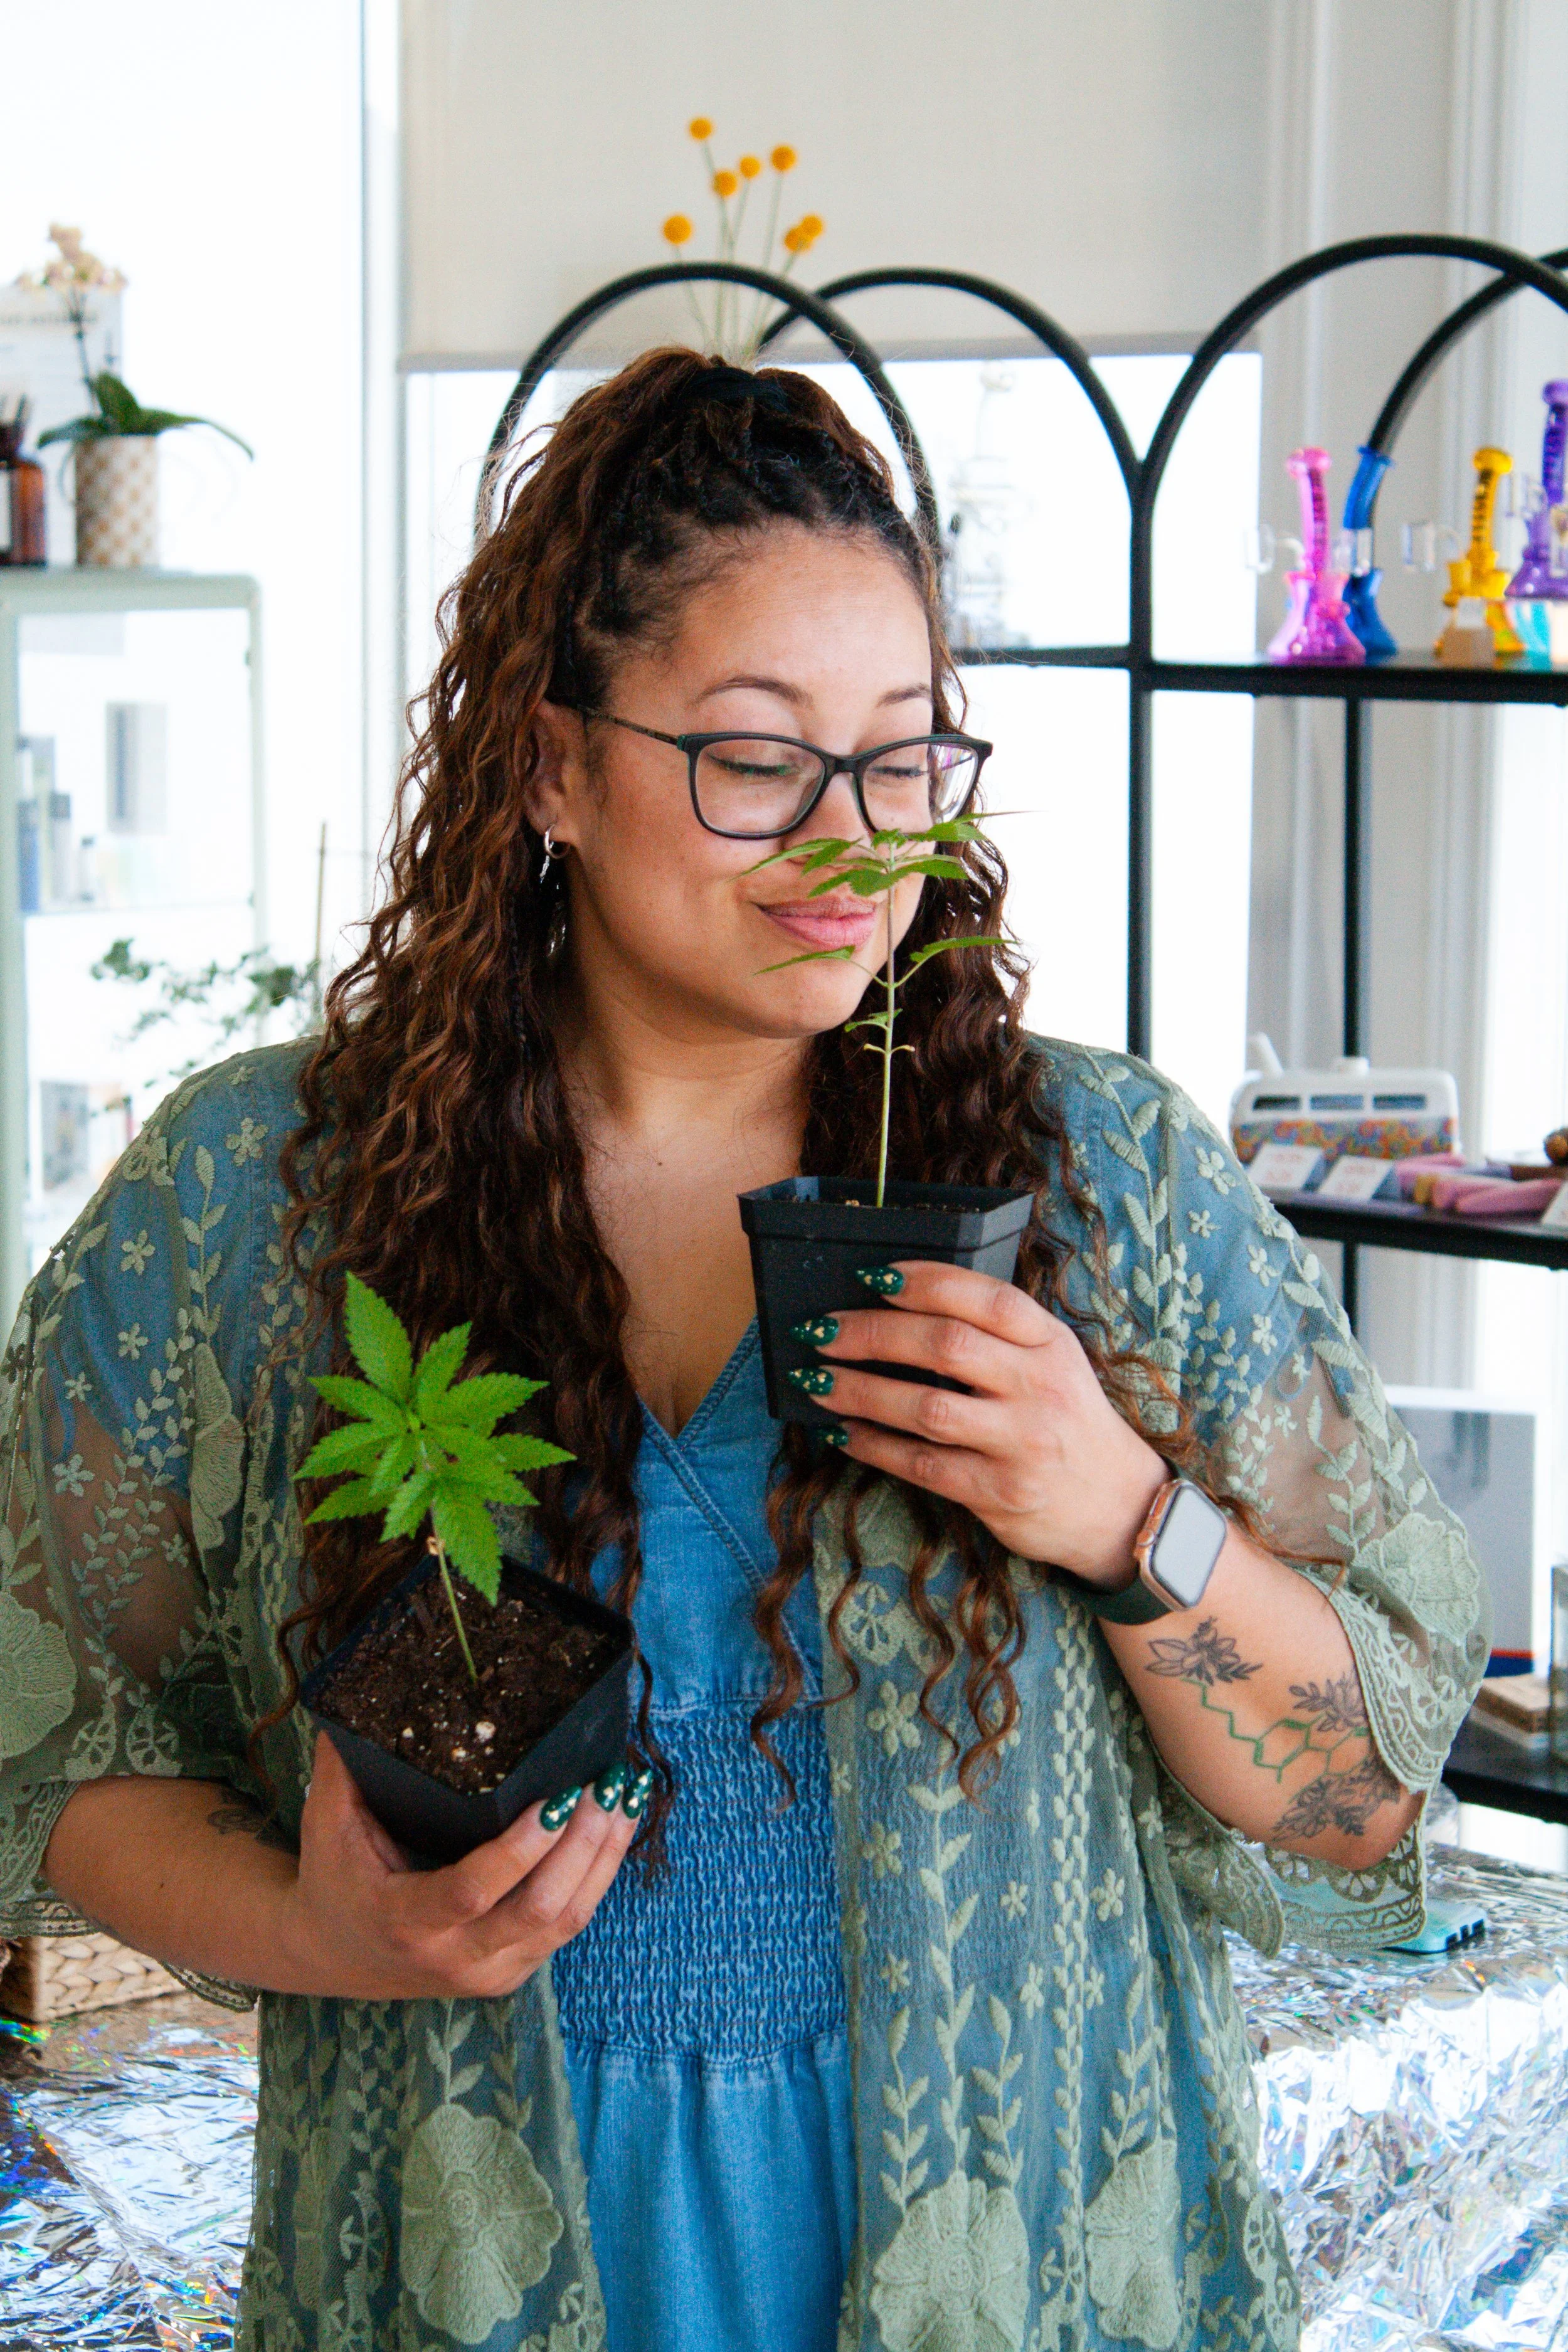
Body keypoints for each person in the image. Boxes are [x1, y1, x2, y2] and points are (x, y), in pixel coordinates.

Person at [0, 351, 1486, 2352]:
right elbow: (42, 1721)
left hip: (1007, 2264)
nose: (848, 839)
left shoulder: (1102, 1189)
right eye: (753, 754)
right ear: (547, 766)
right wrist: (321, 1930)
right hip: (477, 2254)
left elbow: (1361, 1797)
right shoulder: (261, 1200)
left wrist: (1124, 1514)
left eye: (901, 758)